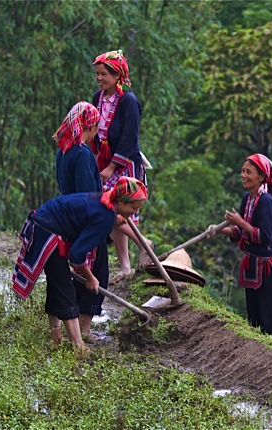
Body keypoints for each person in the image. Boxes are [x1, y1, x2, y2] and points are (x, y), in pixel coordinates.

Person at [12, 176, 148, 356]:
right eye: (133, 208)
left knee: (56, 281)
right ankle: (78, 345)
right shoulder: (105, 216)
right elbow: (76, 255)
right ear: (121, 202)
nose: (134, 212)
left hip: (46, 220)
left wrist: (116, 217)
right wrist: (89, 277)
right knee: (64, 286)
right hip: (47, 230)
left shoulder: (107, 203)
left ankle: (56, 335)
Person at [207, 153, 272, 340]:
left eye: (249, 172)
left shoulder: (267, 201)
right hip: (252, 264)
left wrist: (240, 222)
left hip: (267, 267)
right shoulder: (248, 198)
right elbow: (242, 233)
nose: (243, 175)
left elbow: (264, 236)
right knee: (255, 316)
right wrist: (219, 230)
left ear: (261, 177)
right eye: (242, 171)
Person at [91, 49, 153, 283]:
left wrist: (111, 167)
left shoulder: (128, 101)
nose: (99, 78)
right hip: (106, 162)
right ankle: (125, 265)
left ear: (118, 75)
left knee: (117, 211)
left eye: (104, 74)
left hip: (125, 166)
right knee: (113, 214)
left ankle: (143, 242)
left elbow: (129, 137)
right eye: (97, 74)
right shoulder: (98, 98)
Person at [54, 101, 106, 342]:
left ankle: (68, 326)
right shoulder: (83, 154)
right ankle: (84, 329)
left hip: (67, 215)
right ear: (92, 126)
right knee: (97, 270)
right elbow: (87, 193)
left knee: (74, 271)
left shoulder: (63, 150)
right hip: (84, 218)